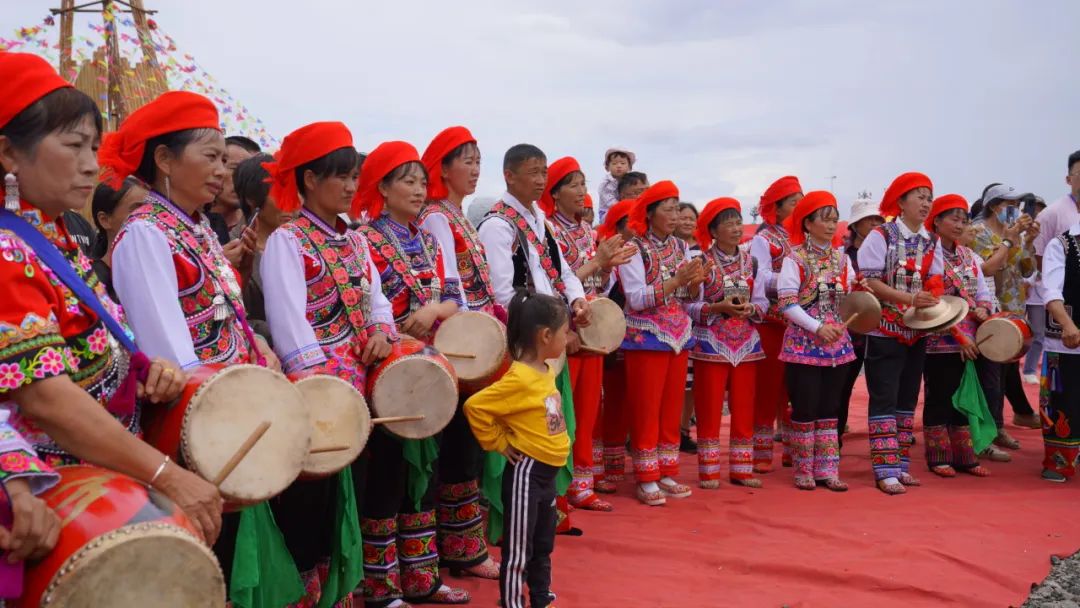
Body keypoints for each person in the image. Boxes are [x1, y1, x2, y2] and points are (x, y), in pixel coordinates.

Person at [0, 51, 219, 559]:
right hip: (49, 492)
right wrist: (167, 474)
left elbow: (86, 356)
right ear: (9, 154)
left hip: (98, 473)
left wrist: (144, 371)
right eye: (74, 145)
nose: (91, 165)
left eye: (94, 147)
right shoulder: (9, 249)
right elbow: (44, 397)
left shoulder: (51, 239)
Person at [104, 90, 287, 602]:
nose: (221, 171)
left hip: (227, 414)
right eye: (208, 156)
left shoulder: (195, 227)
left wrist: (259, 350)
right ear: (163, 159)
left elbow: (226, 314)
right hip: (192, 426)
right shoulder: (145, 234)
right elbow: (171, 355)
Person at [261, 122, 394, 607]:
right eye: (339, 176)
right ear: (310, 179)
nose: (350, 186)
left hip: (361, 383)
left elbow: (376, 300)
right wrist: (321, 387)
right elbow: (288, 320)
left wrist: (381, 331)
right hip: (317, 389)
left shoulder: (357, 241)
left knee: (353, 494)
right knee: (310, 503)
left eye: (353, 175)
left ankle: (341, 593)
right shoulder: (288, 240)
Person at [356, 140, 469, 606]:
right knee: (387, 473)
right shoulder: (364, 239)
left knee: (428, 470)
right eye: (407, 180)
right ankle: (382, 586)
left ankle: (423, 577)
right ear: (382, 186)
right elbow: (362, 301)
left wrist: (429, 312)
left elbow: (453, 298)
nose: (419, 189)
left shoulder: (427, 239)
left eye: (422, 181)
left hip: (428, 366)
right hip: (386, 369)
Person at [477, 144, 589, 537]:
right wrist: (545, 327)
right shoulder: (497, 226)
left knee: (552, 426)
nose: (541, 180)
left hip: (549, 342)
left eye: (544, 172)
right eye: (533, 172)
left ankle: (547, 510)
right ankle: (512, 518)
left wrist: (576, 301)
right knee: (523, 429)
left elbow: (563, 272)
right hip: (523, 348)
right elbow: (501, 294)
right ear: (509, 175)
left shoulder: (542, 221)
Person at [418, 126, 501, 579]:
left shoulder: (460, 216)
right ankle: (459, 549)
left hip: (474, 344)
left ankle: (463, 545)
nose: (473, 169)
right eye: (464, 161)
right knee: (456, 448)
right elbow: (450, 287)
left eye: (477, 161)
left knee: (467, 446)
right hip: (457, 346)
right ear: (443, 168)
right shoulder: (437, 217)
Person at [464, 291, 570, 608]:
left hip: (547, 474)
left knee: (542, 543)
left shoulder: (545, 370)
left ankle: (539, 595)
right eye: (565, 332)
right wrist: (498, 443)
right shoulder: (519, 378)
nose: (569, 338)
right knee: (519, 548)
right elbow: (476, 406)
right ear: (545, 335)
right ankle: (513, 602)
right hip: (528, 472)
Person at [539, 157, 633, 511]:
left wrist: (605, 267)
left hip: (591, 329)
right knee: (560, 409)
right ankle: (557, 486)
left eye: (583, 183)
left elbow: (599, 282)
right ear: (556, 192)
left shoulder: (586, 232)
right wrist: (598, 264)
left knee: (588, 408)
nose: (582, 191)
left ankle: (581, 481)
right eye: (574, 185)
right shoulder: (549, 230)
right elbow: (552, 283)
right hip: (564, 331)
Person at [858, 172, 943, 495]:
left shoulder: (931, 240)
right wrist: (908, 299)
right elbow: (869, 280)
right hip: (885, 330)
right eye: (919, 196)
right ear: (901, 201)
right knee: (884, 396)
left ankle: (901, 464)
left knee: (908, 398)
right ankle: (884, 468)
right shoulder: (881, 235)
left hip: (918, 330)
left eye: (929, 197)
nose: (925, 203)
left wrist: (932, 296)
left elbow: (935, 280)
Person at [621, 180, 703, 505]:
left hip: (678, 336)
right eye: (667, 208)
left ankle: (667, 469)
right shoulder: (634, 249)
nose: (675, 214)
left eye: (676, 207)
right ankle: (645, 476)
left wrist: (695, 285)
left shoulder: (681, 248)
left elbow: (685, 296)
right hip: (646, 336)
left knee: (671, 408)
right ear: (650, 212)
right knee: (646, 408)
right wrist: (678, 281)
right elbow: (637, 298)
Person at [776, 192, 856, 491]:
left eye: (834, 219)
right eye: (824, 219)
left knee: (830, 407)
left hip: (838, 344)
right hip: (802, 345)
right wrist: (817, 326)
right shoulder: (794, 258)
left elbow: (849, 299)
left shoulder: (843, 259)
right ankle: (803, 469)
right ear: (807, 222)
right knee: (805, 407)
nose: (831, 225)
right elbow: (787, 302)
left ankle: (828, 469)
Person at [690, 197, 767, 489]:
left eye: (738, 222)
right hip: (711, 343)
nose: (736, 228)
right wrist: (716, 308)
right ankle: (709, 471)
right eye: (728, 224)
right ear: (713, 230)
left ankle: (742, 469)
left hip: (747, 344)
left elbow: (760, 300)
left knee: (744, 406)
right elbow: (689, 306)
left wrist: (752, 309)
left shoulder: (751, 261)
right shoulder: (700, 262)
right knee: (709, 407)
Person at [921, 194, 993, 478]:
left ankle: (965, 455)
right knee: (941, 394)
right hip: (941, 339)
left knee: (967, 393)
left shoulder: (967, 255)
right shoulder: (928, 254)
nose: (960, 225)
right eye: (954, 218)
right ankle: (938, 456)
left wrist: (984, 310)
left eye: (964, 220)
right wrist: (957, 334)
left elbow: (983, 291)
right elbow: (933, 301)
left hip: (972, 339)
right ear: (936, 221)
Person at [970, 183, 1042, 449]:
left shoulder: (1015, 234)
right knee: (990, 376)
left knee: (1004, 373)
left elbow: (1026, 270)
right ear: (993, 206)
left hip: (1014, 312)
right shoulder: (979, 232)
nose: (1014, 210)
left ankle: (996, 428)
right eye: (1008, 205)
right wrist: (1011, 239)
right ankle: (989, 430)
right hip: (990, 311)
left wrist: (1029, 242)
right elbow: (990, 268)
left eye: (1016, 205)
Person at [749, 176, 803, 472]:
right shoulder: (764, 238)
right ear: (777, 206)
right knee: (769, 387)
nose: (799, 207)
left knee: (796, 387)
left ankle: (794, 448)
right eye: (794, 202)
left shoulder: (804, 237)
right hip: (772, 321)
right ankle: (761, 451)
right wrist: (792, 280)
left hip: (801, 323)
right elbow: (760, 277)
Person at [596, 199, 637, 483]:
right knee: (605, 398)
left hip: (630, 333)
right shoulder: (604, 248)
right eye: (633, 222)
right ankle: (594, 468)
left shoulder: (643, 252)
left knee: (621, 397)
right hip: (600, 329)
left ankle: (613, 463)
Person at [1036, 216, 1080, 483]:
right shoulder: (1061, 244)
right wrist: (1068, 325)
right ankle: (1058, 460)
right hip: (1066, 340)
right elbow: (1051, 292)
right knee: (1063, 400)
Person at [838, 195, 884, 444]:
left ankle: (885, 436)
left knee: (881, 385)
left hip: (882, 328)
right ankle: (835, 436)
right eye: (869, 219)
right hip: (851, 330)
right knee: (843, 385)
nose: (875, 223)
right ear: (855, 225)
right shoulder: (843, 256)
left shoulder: (887, 251)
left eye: (878, 219)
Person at [233, 152, 291, 344]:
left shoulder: (303, 242)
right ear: (251, 198)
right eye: (279, 193)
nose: (290, 203)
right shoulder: (234, 249)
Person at [89, 177, 148, 299]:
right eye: (137, 210)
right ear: (105, 220)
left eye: (149, 210)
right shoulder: (92, 279)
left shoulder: (153, 271)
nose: (149, 218)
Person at [210, 135, 260, 242]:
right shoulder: (195, 221)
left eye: (248, 173)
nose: (242, 178)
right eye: (234, 168)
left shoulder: (256, 226)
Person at [1023, 195, 1048, 383]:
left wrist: (1030, 282)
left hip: (1038, 294)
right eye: (1033, 210)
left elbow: (1042, 265)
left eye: (1041, 210)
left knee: (1038, 333)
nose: (1037, 214)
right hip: (1014, 293)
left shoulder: (1048, 234)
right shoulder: (1016, 232)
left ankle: (1029, 370)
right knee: (1014, 330)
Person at [596, 147, 634, 223]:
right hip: (607, 211)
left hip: (623, 208)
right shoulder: (607, 183)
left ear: (629, 167)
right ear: (607, 167)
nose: (619, 166)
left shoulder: (630, 181)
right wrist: (624, 206)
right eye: (614, 163)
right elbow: (609, 201)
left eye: (623, 163)